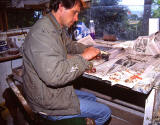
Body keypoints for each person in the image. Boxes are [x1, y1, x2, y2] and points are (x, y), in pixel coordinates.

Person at [22, 0, 111, 125]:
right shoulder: (42, 32)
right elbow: (54, 76)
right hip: (46, 102)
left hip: (49, 92)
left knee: (92, 98)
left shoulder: (55, 26)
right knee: (105, 112)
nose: (76, 18)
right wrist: (84, 58)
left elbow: (69, 45)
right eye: (74, 12)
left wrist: (88, 50)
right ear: (61, 7)